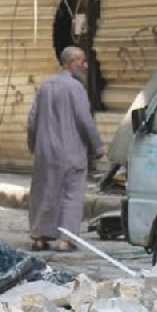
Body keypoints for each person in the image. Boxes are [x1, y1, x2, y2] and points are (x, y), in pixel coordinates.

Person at [26, 46, 104, 252]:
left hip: (45, 152)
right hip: (70, 152)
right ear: (72, 64)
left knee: (44, 193)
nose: (85, 66)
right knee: (71, 194)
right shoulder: (75, 88)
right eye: (83, 62)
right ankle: (65, 240)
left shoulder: (44, 86)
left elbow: (32, 121)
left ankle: (39, 238)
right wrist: (97, 146)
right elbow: (85, 121)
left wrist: (34, 146)